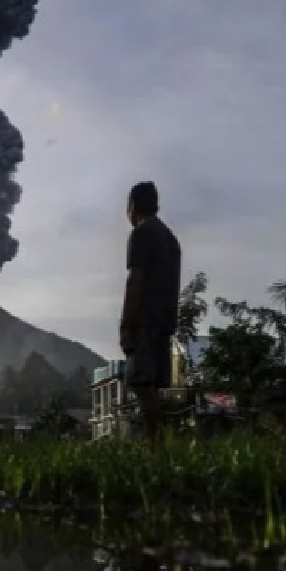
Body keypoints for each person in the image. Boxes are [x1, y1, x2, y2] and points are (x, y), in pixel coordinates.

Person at [119, 181, 182, 447]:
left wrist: (126, 325)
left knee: (142, 386)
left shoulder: (143, 233)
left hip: (145, 321)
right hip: (164, 323)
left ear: (133, 207)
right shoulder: (169, 238)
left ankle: (157, 449)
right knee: (152, 387)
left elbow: (136, 280)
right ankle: (158, 446)